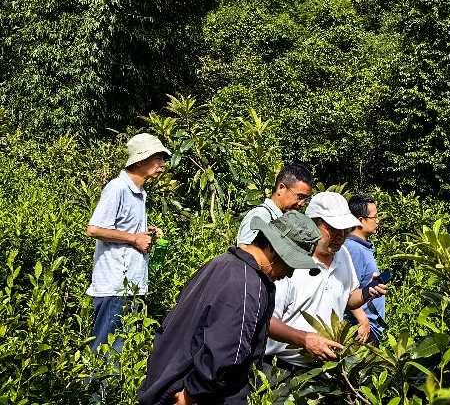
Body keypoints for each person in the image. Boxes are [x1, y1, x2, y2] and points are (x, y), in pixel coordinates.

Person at [138, 211, 322, 405]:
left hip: (168, 381)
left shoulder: (222, 263)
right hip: (194, 396)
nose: (290, 273)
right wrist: (190, 394)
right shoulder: (248, 284)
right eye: (290, 263)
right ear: (272, 248)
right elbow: (226, 355)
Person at [265, 192, 388, 369]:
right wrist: (305, 340)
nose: (340, 236)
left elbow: (349, 298)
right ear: (312, 224)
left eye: (344, 230)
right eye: (333, 229)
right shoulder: (289, 261)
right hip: (281, 368)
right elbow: (267, 320)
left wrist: (368, 291)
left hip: (324, 368)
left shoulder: (343, 255)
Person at [86, 133, 170, 352]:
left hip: (131, 285)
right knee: (107, 354)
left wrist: (145, 231)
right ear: (141, 160)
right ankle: (95, 389)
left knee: (122, 354)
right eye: (158, 158)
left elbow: (120, 227)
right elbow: (93, 229)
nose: (162, 164)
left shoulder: (139, 193)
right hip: (115, 286)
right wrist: (134, 238)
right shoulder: (118, 188)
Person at [236, 163, 314, 244]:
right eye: (300, 197)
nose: (302, 203)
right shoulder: (261, 216)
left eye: (306, 199)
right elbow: (245, 253)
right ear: (281, 188)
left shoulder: (282, 219)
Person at [344, 193, 386, 343]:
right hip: (363, 329)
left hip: (371, 327)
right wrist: (362, 320)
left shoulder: (362, 246)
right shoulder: (352, 248)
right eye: (374, 217)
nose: (378, 221)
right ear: (361, 220)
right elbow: (347, 290)